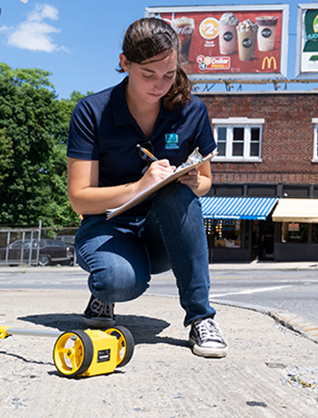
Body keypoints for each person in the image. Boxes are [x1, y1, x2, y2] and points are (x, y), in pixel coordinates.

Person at [66, 17, 226, 358]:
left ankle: (201, 317)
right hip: (107, 226)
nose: (160, 85)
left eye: (169, 74)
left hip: (162, 234)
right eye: (148, 75)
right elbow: (79, 199)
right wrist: (139, 186)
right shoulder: (91, 111)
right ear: (125, 63)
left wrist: (195, 182)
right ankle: (104, 294)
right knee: (117, 281)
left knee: (176, 192)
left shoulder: (192, 111)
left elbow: (207, 181)